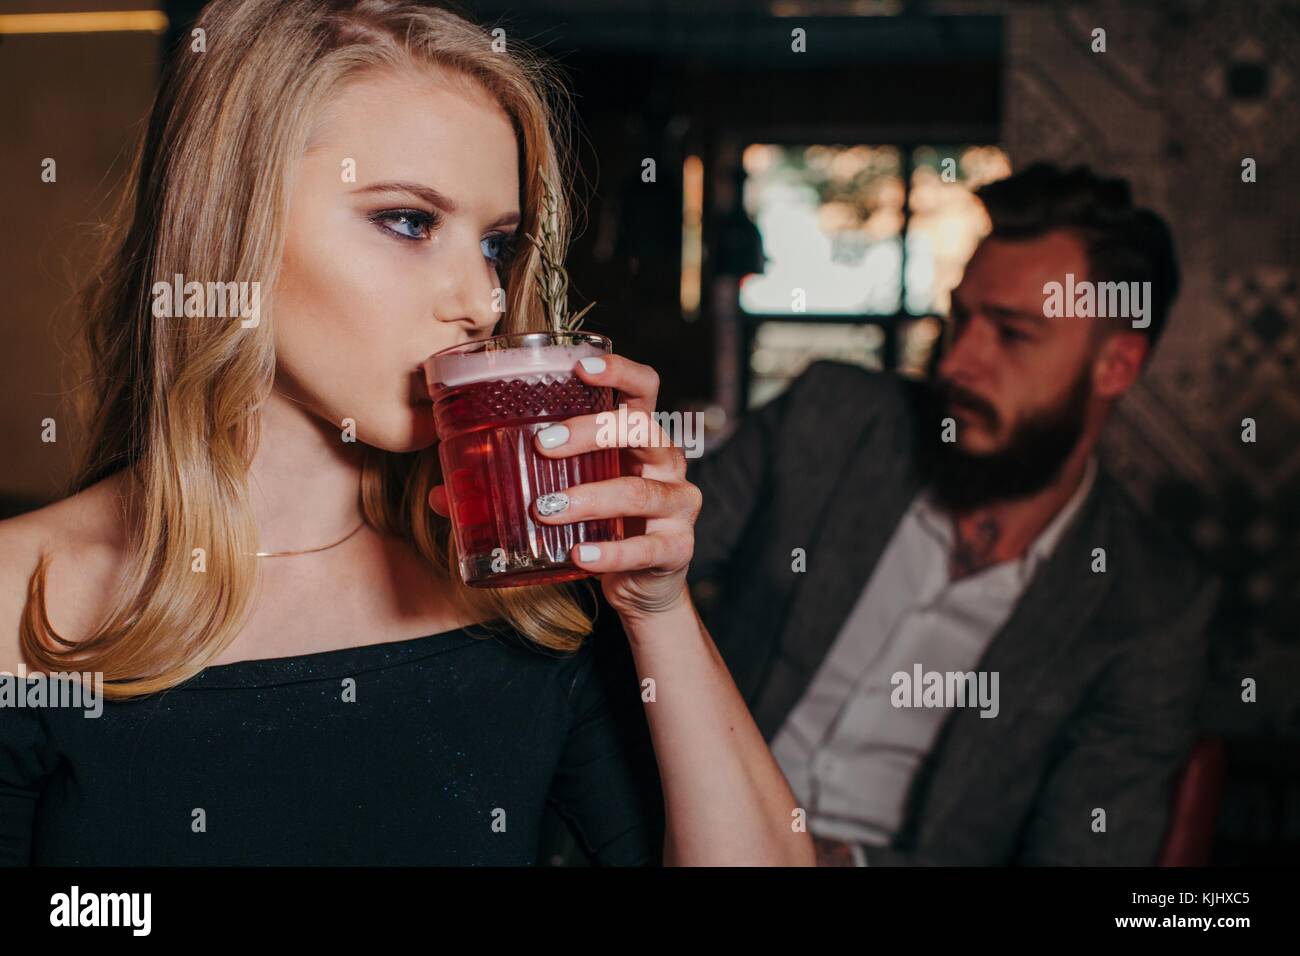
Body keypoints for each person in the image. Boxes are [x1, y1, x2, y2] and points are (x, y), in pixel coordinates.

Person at [0, 0, 813, 867]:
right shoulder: (22, 593)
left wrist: (659, 610)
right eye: (408, 221)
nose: (482, 300)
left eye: (497, 244)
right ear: (230, 225)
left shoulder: (520, 588)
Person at [686, 163, 1220, 865]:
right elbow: (648, 550)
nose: (959, 362)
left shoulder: (1152, 606)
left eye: (1014, 334)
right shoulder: (832, 419)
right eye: (961, 317)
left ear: (1115, 365)